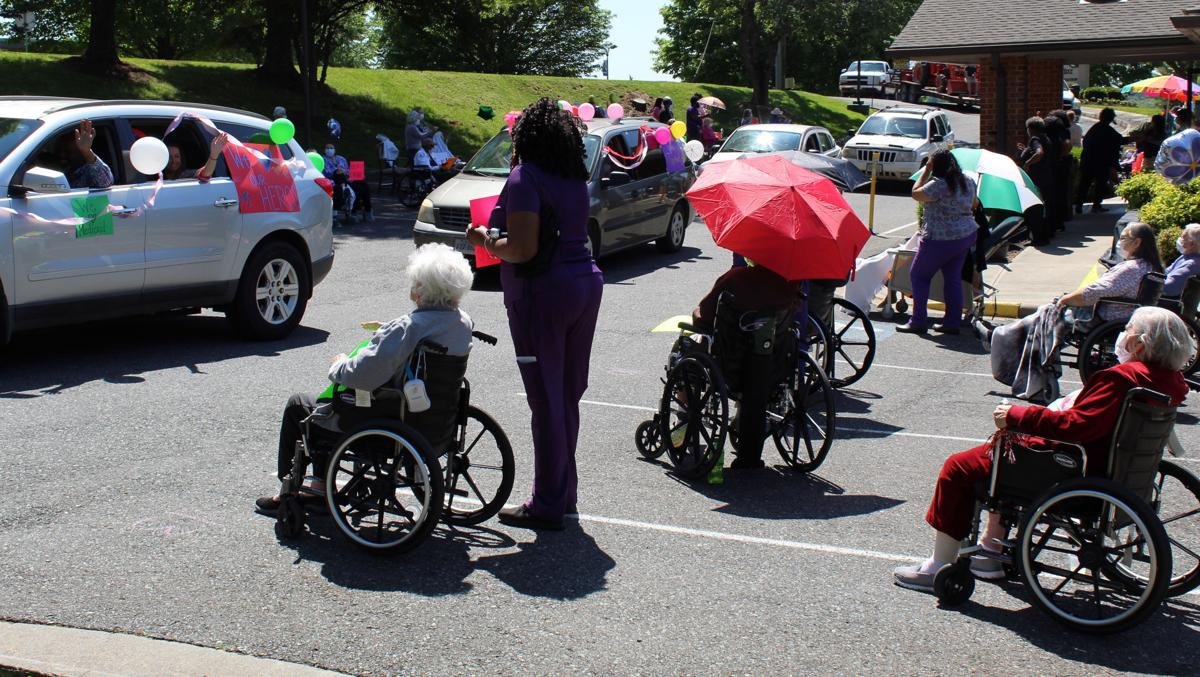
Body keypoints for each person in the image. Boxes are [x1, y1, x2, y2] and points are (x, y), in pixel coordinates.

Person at [894, 306, 1191, 592]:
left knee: (959, 467)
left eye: (1128, 329)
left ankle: (938, 566)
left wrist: (1016, 415)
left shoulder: (1121, 378)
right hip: (1117, 469)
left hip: (1075, 465)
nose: (1122, 333)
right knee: (1004, 463)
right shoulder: (1169, 382)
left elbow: (1075, 426)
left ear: (1140, 343)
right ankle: (987, 553)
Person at [465, 97, 604, 531]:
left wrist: (484, 239)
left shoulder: (525, 177)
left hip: (543, 293)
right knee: (566, 395)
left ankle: (546, 502)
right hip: (584, 282)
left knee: (545, 399)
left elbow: (522, 249)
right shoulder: (572, 177)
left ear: (525, 136)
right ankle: (564, 494)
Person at [254, 243, 475, 513]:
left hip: (387, 420)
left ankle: (296, 488)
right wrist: (389, 333)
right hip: (435, 421)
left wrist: (339, 364)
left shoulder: (408, 328)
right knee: (335, 403)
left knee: (301, 405)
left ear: (420, 290)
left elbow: (362, 375)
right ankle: (321, 482)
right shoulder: (462, 323)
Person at [691, 260, 799, 469]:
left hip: (731, 365)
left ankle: (683, 425)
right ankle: (749, 453)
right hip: (773, 366)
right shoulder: (790, 286)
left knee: (689, 347)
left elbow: (704, 315)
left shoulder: (736, 278)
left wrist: (696, 312)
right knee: (758, 374)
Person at [897, 149, 980, 335]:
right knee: (952, 278)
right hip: (965, 235)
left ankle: (918, 320)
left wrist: (926, 171)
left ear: (936, 166)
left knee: (919, 275)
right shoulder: (967, 181)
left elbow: (916, 194)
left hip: (939, 238)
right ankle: (952, 322)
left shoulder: (937, 185)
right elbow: (974, 204)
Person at [1078, 107, 1125, 212]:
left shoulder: (1094, 128)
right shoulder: (1108, 130)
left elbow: (1085, 142)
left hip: (1088, 160)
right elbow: (1120, 140)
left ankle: (1079, 204)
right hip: (1101, 163)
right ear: (1110, 118)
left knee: (1084, 183)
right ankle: (1096, 205)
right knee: (1100, 183)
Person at [47, 120, 113, 189]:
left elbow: (105, 182)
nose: (62, 155)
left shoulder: (87, 173)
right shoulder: (56, 170)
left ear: (81, 153)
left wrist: (87, 152)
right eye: (59, 151)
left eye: (68, 152)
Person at [1018, 116, 1054, 245]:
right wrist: (1026, 150)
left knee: (1034, 209)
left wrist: (1027, 164)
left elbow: (1039, 153)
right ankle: (1044, 237)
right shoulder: (1045, 138)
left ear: (1031, 129)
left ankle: (1037, 238)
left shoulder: (1035, 139)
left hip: (1036, 178)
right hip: (1047, 177)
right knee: (1043, 208)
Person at [323, 142, 373, 222]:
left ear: (335, 149)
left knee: (364, 185)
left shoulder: (341, 158)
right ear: (324, 150)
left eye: (331, 148)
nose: (329, 150)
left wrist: (354, 173)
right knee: (339, 174)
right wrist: (336, 170)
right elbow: (325, 172)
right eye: (327, 148)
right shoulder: (323, 160)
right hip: (335, 179)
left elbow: (348, 170)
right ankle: (353, 211)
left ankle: (368, 210)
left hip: (347, 178)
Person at [1154, 107, 1200, 183]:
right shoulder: (1195, 133)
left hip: (1178, 177)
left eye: (1177, 117)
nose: (1176, 119)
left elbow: (1162, 164)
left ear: (1179, 120)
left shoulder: (1176, 137)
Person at [162, 133, 229, 181]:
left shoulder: (185, 175)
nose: (173, 161)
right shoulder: (153, 176)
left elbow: (205, 174)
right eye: (169, 157)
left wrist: (214, 154)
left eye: (177, 156)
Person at [1163, 222, 1200, 297]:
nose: (1180, 239)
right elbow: (1165, 272)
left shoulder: (1191, 264)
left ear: (1192, 244)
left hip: (1168, 303)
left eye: (1183, 237)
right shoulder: (1185, 257)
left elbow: (1169, 287)